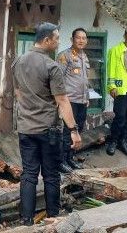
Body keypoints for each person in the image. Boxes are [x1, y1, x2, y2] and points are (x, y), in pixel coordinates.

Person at [12, 22, 83, 226]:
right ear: (46, 40)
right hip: (48, 130)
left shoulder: (18, 62)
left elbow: (18, 93)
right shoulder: (51, 66)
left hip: (26, 128)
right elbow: (62, 100)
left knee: (29, 174)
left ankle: (26, 221)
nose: (58, 41)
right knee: (51, 174)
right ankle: (53, 218)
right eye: (57, 38)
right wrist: (73, 130)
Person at [57, 27, 90, 173]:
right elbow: (57, 79)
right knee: (67, 131)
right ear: (72, 39)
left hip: (82, 101)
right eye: (78, 38)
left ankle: (70, 158)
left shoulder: (84, 57)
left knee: (78, 130)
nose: (81, 40)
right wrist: (60, 100)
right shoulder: (65, 56)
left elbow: (85, 80)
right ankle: (61, 161)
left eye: (84, 38)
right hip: (69, 101)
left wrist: (87, 97)